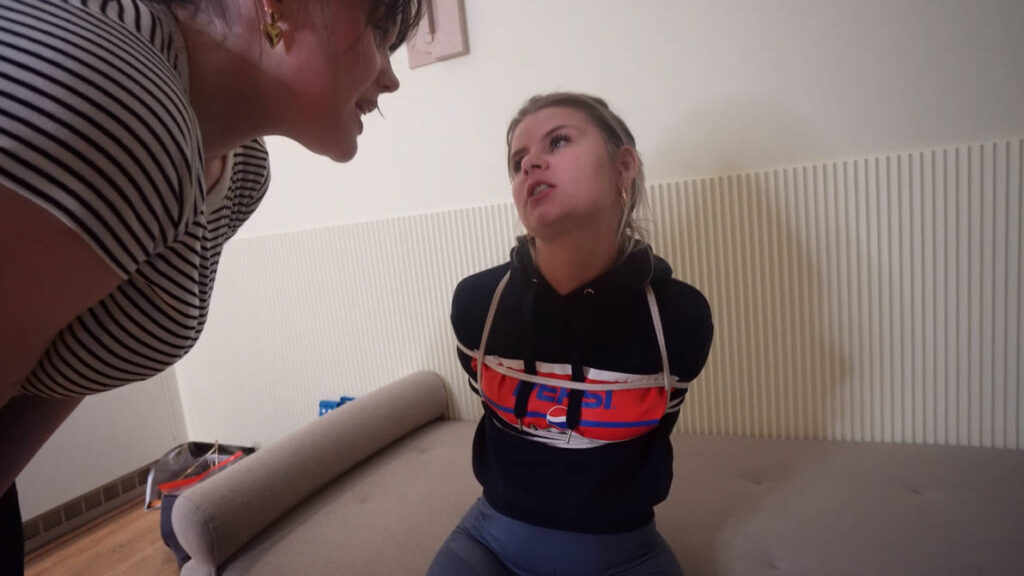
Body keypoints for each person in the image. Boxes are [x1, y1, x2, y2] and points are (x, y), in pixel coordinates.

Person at [0, 0, 424, 571]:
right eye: (380, 31)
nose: (391, 78)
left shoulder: (242, 170)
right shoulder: (117, 97)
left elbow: (64, 355)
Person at [432, 93, 714, 575]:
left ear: (623, 166)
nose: (530, 164)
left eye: (558, 141)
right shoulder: (477, 306)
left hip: (626, 554)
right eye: (518, 162)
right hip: (488, 543)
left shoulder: (680, 318)